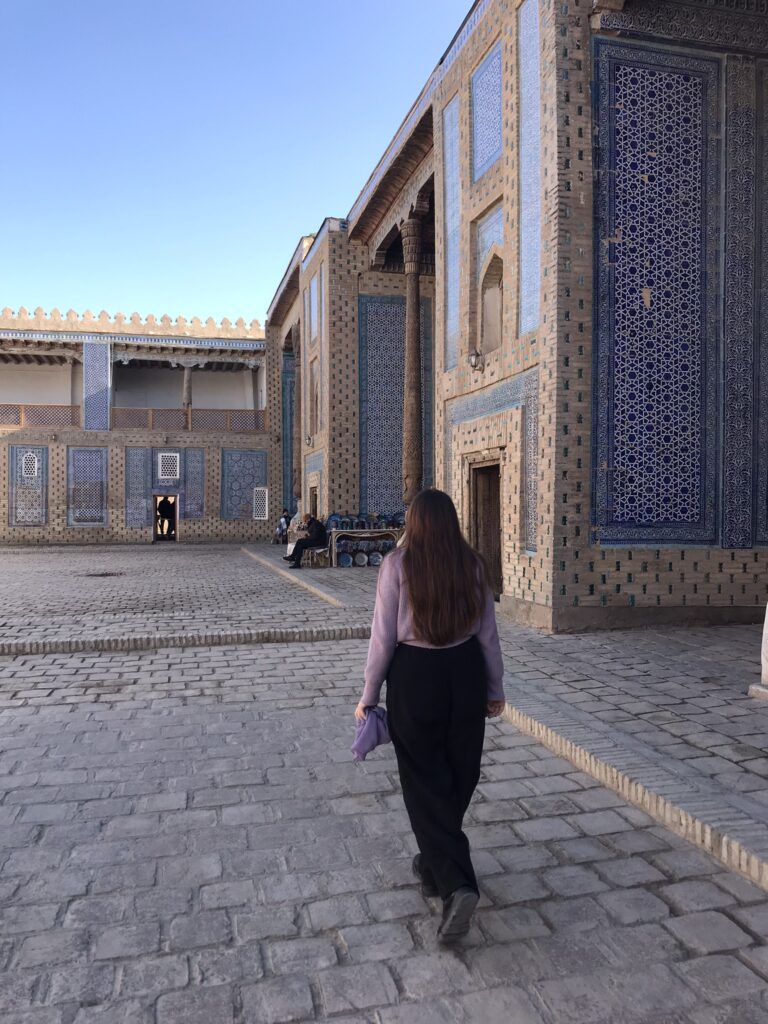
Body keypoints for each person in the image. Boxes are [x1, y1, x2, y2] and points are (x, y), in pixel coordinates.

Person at [355, 488, 504, 943]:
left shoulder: (397, 566)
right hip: (464, 674)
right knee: (461, 772)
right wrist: (495, 688)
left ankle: (457, 884)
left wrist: (368, 695)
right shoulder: (472, 565)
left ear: (415, 523)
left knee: (423, 780)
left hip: (415, 676)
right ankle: (433, 863)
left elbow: (382, 638)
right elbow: (488, 636)